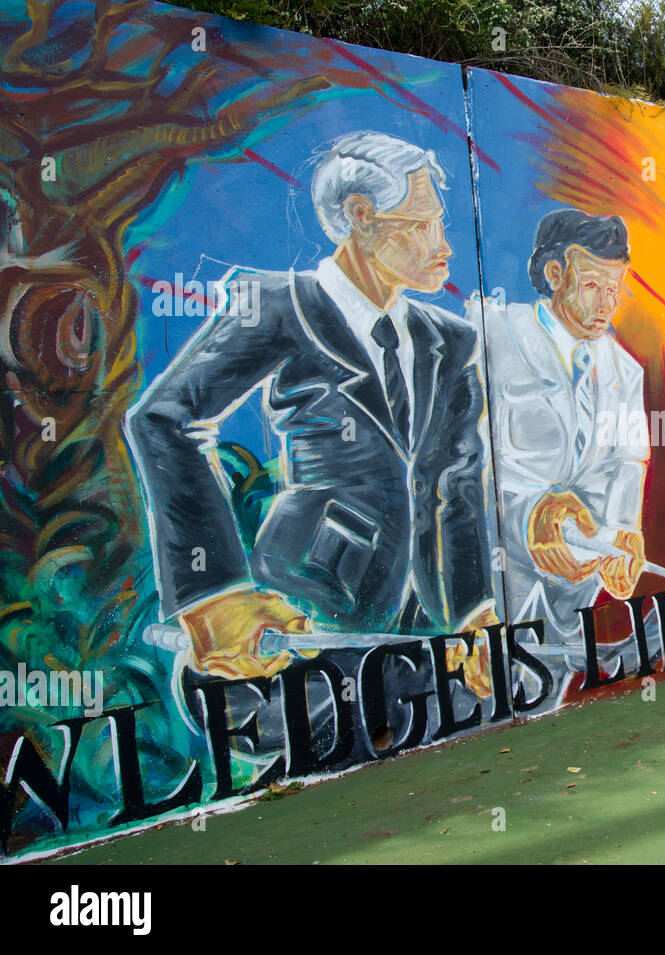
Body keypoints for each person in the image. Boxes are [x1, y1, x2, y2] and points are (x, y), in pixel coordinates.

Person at [127, 131, 495, 682]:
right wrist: (214, 596)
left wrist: (472, 611)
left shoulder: (451, 340)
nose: (444, 246)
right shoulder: (277, 306)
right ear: (362, 215)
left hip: (423, 624)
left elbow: (457, 483)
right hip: (304, 603)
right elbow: (164, 417)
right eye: (422, 225)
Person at [482, 209, 649, 665]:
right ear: (555, 274)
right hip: (497, 583)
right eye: (593, 286)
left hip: (576, 590)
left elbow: (629, 461)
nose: (606, 305)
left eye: (613, 290)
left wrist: (624, 532)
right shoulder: (493, 335)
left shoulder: (625, 372)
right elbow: (464, 460)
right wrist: (527, 513)